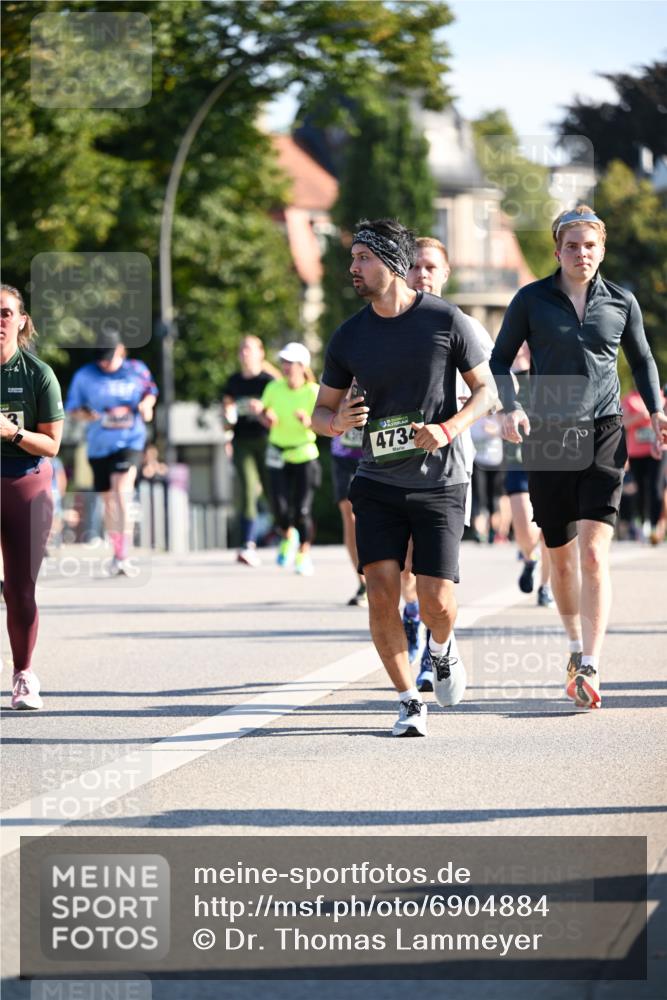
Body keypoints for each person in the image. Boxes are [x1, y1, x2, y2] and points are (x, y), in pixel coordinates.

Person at [312, 219, 498, 737]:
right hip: (376, 481)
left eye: (364, 259)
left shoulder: (445, 320)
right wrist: (337, 423)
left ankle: (441, 647)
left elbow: (487, 392)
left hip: (440, 480)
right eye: (352, 259)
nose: (353, 268)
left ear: (392, 264)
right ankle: (407, 698)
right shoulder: (349, 336)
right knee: (381, 590)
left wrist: (449, 428)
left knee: (437, 600)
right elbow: (319, 414)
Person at [490, 205, 667, 710]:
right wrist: (510, 407)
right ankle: (573, 645)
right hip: (548, 432)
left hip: (605, 430)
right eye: (572, 246)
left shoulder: (621, 302)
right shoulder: (531, 300)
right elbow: (500, 359)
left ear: (602, 250)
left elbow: (643, 359)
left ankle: (591, 663)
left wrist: (656, 411)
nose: (581, 254)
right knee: (561, 559)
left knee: (593, 553)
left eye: (590, 245)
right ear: (557, 251)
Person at [400, 237, 495, 691]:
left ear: (446, 273)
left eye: (431, 267)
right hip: (394, 462)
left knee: (430, 568)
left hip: (449, 464)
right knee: (398, 564)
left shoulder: (464, 326)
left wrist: (458, 415)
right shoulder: (386, 325)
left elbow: (494, 391)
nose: (422, 274)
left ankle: (436, 643)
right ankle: (417, 641)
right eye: (415, 266)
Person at [1, 284, 65, 710]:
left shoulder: (38, 373)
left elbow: (53, 445)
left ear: (21, 320)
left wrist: (14, 433)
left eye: (5, 313)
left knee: (20, 589)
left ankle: (23, 674)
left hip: (25, 482)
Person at [65, 330, 158, 576]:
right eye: (100, 358)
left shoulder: (137, 369)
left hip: (129, 441)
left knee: (121, 491)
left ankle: (124, 554)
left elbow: (151, 392)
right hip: (98, 446)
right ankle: (117, 552)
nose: (104, 363)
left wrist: (147, 406)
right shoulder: (85, 375)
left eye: (109, 357)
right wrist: (86, 415)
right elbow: (72, 408)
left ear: (121, 351)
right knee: (108, 501)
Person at [260, 342, 321, 577]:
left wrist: (308, 421)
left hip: (304, 453)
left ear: (302, 366)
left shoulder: (313, 391)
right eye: (283, 362)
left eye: (290, 363)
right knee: (278, 506)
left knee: (302, 509)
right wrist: (265, 415)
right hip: (277, 452)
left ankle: (303, 553)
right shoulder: (273, 388)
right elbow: (265, 418)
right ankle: (287, 535)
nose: (285, 367)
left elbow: (322, 425)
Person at [223, 335, 278, 566]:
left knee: (271, 490)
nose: (245, 353)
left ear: (260, 353)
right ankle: (247, 544)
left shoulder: (269, 381)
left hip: (266, 440)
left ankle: (288, 533)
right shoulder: (233, 382)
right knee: (246, 489)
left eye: (249, 349)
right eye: (242, 349)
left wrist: (263, 411)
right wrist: (227, 421)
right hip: (242, 441)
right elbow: (226, 416)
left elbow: (278, 416)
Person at [330, 381, 367, 606]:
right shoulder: (339, 366)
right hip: (343, 454)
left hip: (375, 453)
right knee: (350, 515)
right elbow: (323, 407)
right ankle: (363, 582)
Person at [621, 386, 666, 545]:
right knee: (640, 488)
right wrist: (642, 416)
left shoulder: (661, 396)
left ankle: (654, 526)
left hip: (659, 450)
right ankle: (643, 524)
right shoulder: (629, 399)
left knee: (656, 487)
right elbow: (623, 423)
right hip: (636, 452)